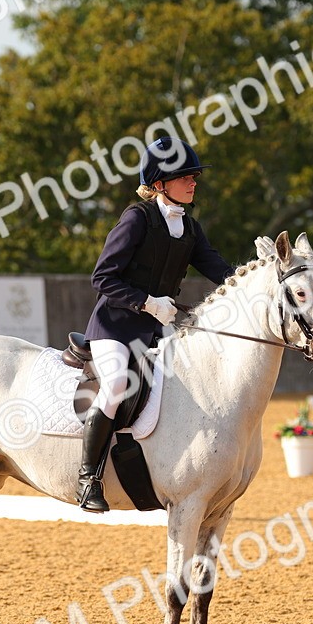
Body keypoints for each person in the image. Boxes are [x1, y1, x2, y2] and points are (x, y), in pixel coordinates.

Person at [76, 137, 234, 512]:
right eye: (185, 177)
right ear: (160, 183)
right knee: (116, 384)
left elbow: (219, 270)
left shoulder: (190, 229)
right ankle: (88, 478)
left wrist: (257, 278)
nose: (194, 182)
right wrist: (146, 302)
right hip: (115, 326)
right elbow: (102, 277)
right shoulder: (137, 218)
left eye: (194, 176)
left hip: (157, 331)